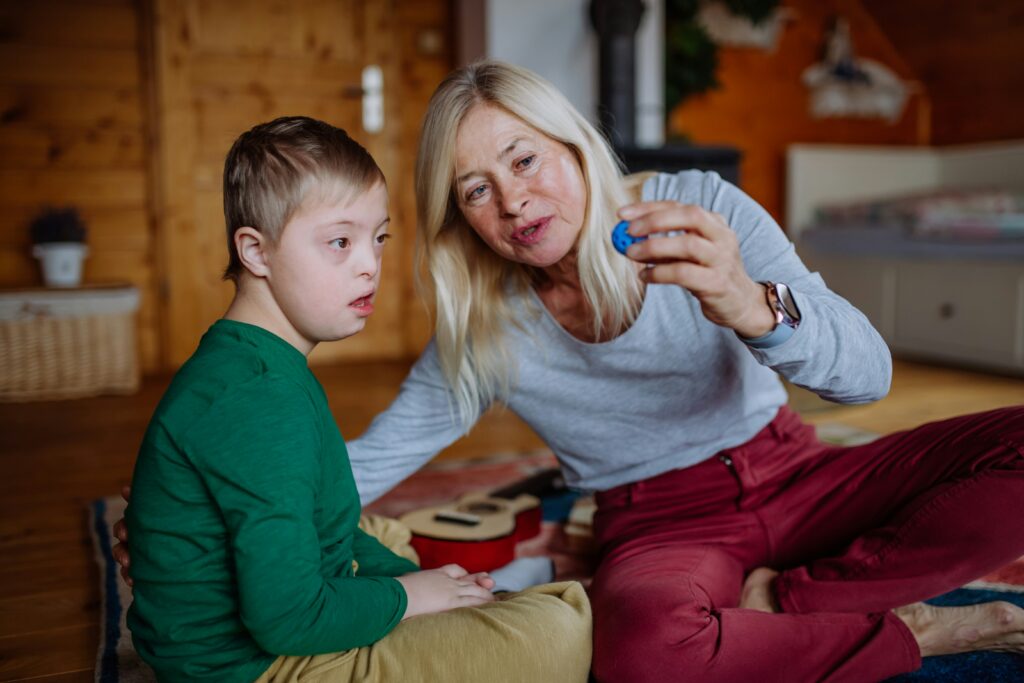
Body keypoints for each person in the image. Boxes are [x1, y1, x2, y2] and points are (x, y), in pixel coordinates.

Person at [116, 64, 1024, 681]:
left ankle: (790, 600)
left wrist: (752, 304)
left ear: (574, 145)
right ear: (461, 217)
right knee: (639, 652)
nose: (513, 199)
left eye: (523, 158)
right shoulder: (485, 322)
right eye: (476, 188)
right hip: (659, 520)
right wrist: (191, 506)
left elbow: (866, 376)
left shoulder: (700, 207)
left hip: (797, 466)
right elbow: (370, 457)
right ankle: (894, 629)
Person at [123, 115, 591, 683]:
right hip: (258, 666)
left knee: (386, 538)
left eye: (378, 239)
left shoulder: (256, 364)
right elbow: (288, 620)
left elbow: (331, 527)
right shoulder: (260, 398)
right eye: (339, 242)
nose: (369, 264)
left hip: (270, 634)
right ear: (256, 252)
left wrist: (431, 584)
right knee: (559, 629)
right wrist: (407, 596)